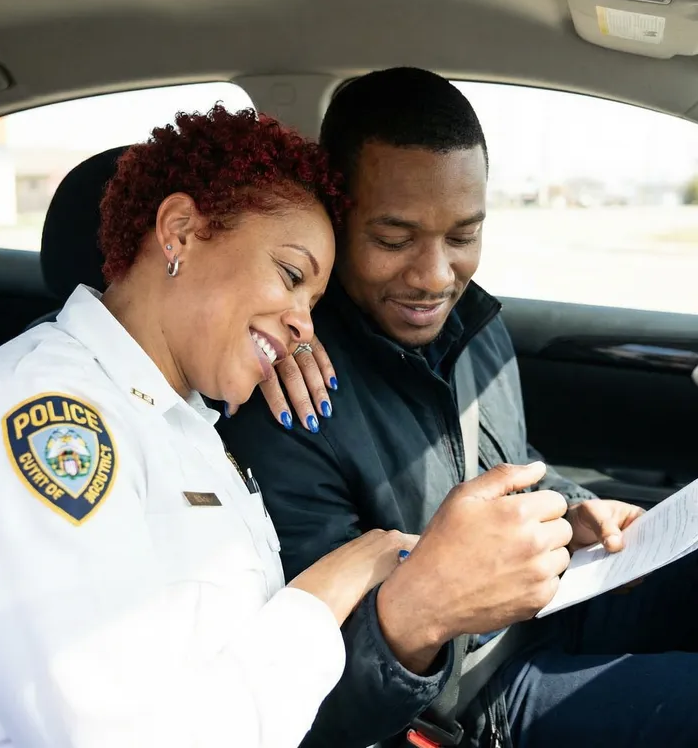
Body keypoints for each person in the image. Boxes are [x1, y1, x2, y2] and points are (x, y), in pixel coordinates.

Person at [0, 105, 416, 748]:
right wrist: (324, 593)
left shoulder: (186, 429)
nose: (304, 325)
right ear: (178, 232)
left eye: (312, 304)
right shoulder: (40, 419)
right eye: (288, 276)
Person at [217, 70, 698, 748]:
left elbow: (512, 463)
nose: (435, 275)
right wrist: (422, 614)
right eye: (394, 239)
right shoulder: (288, 395)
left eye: (463, 235)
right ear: (334, 219)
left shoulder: (474, 325)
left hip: (555, 600)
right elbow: (315, 693)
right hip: (466, 693)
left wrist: (574, 510)